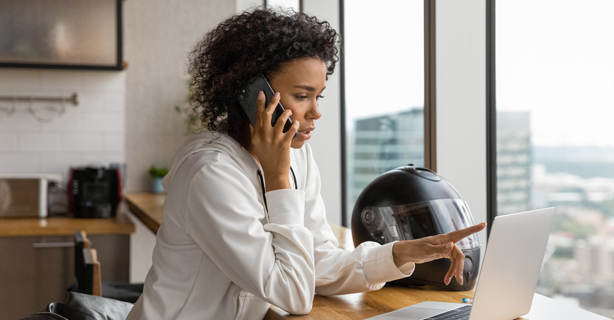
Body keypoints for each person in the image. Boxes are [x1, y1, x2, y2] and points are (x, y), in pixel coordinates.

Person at [126, 8, 485, 320]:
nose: (316, 112)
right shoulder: (210, 172)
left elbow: (315, 261)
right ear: (252, 94)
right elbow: (292, 294)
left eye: (319, 96)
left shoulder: (297, 155)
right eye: (302, 96)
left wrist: (398, 254)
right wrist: (279, 179)